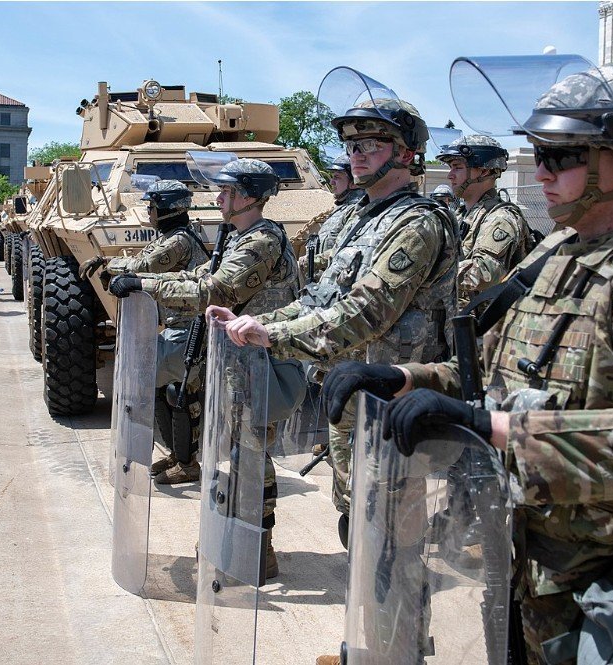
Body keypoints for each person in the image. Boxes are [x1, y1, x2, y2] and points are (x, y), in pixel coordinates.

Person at [324, 64, 613, 664]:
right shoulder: (557, 253)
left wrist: (492, 430)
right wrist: (406, 380)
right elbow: (497, 377)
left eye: (562, 157)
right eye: (540, 155)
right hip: (531, 575)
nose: (544, 172)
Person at [209, 96, 459, 565]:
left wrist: (274, 336)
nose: (356, 152)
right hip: (349, 394)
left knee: (392, 539)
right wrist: (263, 321)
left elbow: (368, 311)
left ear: (406, 153)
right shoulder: (354, 218)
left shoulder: (416, 223)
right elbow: (320, 297)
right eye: (351, 143)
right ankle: (367, 636)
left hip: (395, 400)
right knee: (356, 521)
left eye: (372, 142)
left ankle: (401, 639)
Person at [108, 157, 299, 579]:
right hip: (239, 361)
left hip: (258, 363)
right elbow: (200, 273)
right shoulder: (238, 236)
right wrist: (132, 271)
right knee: (235, 451)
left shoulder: (260, 241)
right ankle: (235, 535)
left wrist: (146, 284)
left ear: (249, 196)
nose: (218, 197)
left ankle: (257, 546)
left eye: (227, 192)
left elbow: (216, 289)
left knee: (249, 454)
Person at [80, 180, 209, 483]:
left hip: (189, 329)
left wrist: (108, 262)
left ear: (165, 208)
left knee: (179, 393)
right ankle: (179, 456)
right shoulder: (172, 236)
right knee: (164, 389)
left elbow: (143, 265)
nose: (148, 211)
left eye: (151, 206)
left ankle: (188, 464)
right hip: (177, 328)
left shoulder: (178, 240)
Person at [438, 134, 534, 309]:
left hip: (483, 327)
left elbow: (485, 272)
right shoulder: (461, 215)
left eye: (457, 167)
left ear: (484, 171)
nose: (450, 175)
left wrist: (428, 269)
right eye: (450, 167)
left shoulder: (501, 217)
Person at [291, 153, 364, 264]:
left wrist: (313, 262)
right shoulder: (342, 208)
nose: (331, 182)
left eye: (337, 177)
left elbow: (349, 249)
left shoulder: (356, 210)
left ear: (354, 183)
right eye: (332, 177)